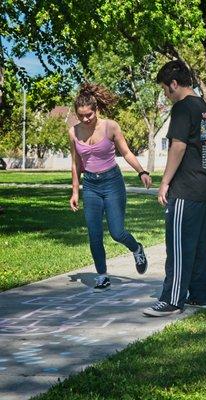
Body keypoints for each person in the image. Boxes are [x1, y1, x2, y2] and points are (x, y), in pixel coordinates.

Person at [143, 60, 206, 317]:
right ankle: (201, 295)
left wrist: (164, 182)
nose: (166, 94)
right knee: (198, 246)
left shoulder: (183, 108)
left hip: (185, 188)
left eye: (165, 89)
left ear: (174, 83)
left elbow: (178, 146)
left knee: (178, 246)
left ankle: (172, 300)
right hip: (203, 186)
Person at [69, 83, 152, 290]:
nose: (86, 119)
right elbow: (76, 163)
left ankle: (137, 248)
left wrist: (141, 171)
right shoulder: (74, 132)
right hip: (90, 185)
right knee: (94, 234)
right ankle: (102, 275)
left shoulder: (110, 126)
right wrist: (75, 190)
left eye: (89, 114)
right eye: (81, 116)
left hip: (112, 182)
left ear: (96, 109)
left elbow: (126, 152)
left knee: (117, 232)